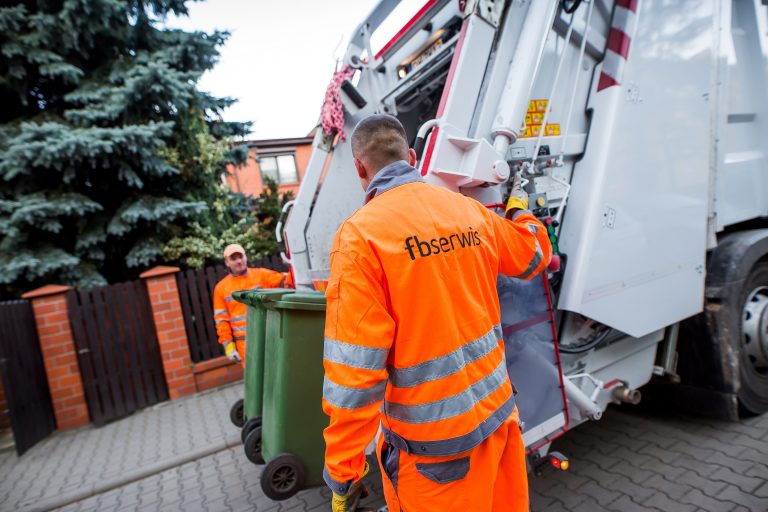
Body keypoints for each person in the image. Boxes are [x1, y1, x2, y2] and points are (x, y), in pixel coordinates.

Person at [321, 114, 552, 512]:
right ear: (411, 156)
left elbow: (355, 377)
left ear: (360, 167)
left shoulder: (360, 238)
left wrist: (343, 473)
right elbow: (531, 256)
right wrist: (520, 212)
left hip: (437, 459)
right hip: (500, 425)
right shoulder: (468, 211)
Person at [213, 243, 292, 365]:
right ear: (227, 262)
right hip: (245, 345)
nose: (239, 261)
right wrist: (229, 347)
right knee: (255, 381)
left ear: (246, 257)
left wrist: (295, 268)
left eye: (241, 256)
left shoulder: (261, 275)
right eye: (233, 258)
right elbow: (221, 321)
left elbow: (286, 281)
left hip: (270, 337)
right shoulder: (221, 288)